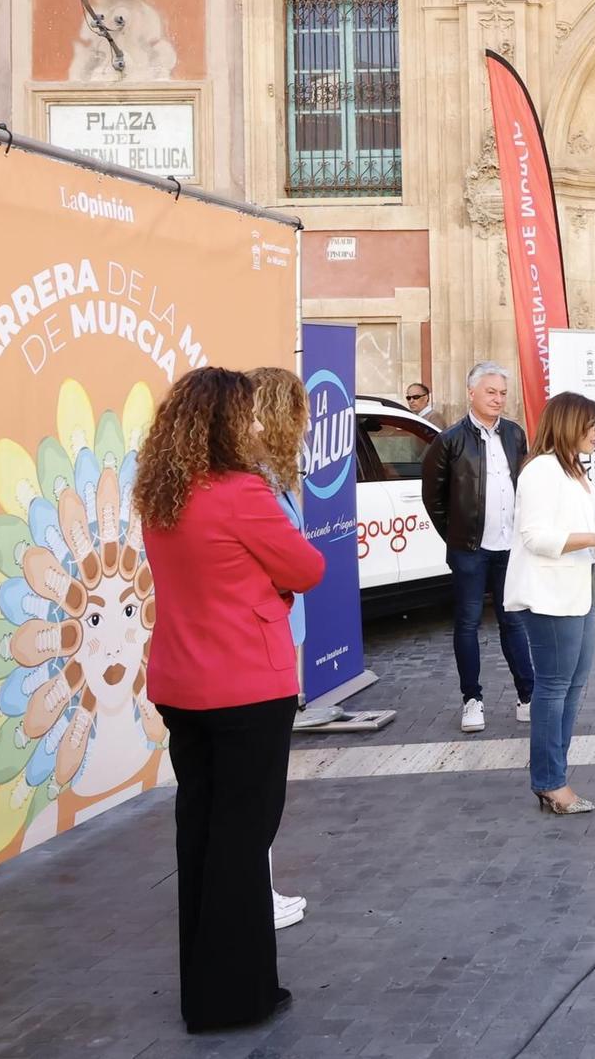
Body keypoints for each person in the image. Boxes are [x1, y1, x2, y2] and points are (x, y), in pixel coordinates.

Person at [136, 367, 326, 1033]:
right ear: (223, 422)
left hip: (182, 686)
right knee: (244, 840)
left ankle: (204, 989)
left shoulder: (162, 493)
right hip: (246, 684)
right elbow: (307, 568)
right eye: (244, 414)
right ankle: (239, 994)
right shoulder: (242, 492)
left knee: (203, 832)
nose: (252, 425)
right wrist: (271, 589)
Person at [506, 392, 595, 814]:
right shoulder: (542, 471)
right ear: (570, 424)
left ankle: (554, 773)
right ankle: (550, 781)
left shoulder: (571, 468)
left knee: (572, 685)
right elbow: (536, 536)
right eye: (593, 425)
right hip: (550, 597)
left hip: (578, 590)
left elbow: (572, 526)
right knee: (554, 688)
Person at [421, 361, 535, 735]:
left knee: (513, 622)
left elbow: (525, 485)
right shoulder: (450, 440)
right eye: (491, 392)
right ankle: (472, 700)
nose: (498, 399)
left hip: (508, 547)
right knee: (467, 624)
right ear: (471, 393)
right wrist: (456, 535)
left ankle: (527, 696)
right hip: (470, 549)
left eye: (502, 393)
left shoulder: (515, 435)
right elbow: (433, 498)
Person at [246, 367, 311, 932]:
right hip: (267, 635)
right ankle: (254, 893)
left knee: (266, 776)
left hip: (284, 629)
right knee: (260, 780)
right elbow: (295, 561)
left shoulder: (276, 475)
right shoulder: (256, 481)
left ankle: (259, 886)